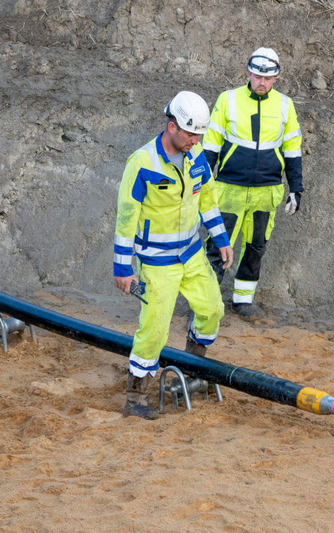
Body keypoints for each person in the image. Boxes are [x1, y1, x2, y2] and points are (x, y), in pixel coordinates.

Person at [113, 91, 234, 420]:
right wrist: (123, 267)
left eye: (199, 135)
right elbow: (126, 218)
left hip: (192, 255)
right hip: (156, 263)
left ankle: (193, 367)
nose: (196, 141)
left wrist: (220, 238)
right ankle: (136, 394)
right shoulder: (142, 163)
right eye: (191, 134)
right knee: (154, 328)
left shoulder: (195, 158)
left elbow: (206, 199)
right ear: (172, 127)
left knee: (212, 309)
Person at [202, 47, 303, 320]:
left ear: (276, 78)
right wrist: (200, 183)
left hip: (266, 191)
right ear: (248, 73)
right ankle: (206, 305)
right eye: (258, 76)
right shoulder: (228, 100)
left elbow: (293, 149)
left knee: (256, 247)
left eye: (268, 78)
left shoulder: (285, 106)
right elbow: (210, 144)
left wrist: (296, 187)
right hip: (228, 189)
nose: (262, 82)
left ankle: (242, 301)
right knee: (216, 246)